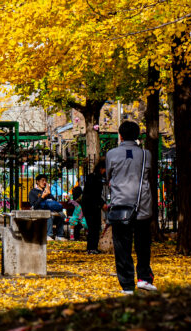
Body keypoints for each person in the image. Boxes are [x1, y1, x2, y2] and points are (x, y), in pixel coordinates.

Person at [105, 121, 156, 295]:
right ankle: (144, 278)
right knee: (143, 245)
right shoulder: (146, 154)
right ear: (137, 136)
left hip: (120, 206)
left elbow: (109, 175)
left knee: (122, 247)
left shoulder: (111, 154)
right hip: (142, 206)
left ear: (120, 135)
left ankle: (127, 285)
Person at [27, 175, 66, 239]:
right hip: (38, 213)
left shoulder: (48, 192)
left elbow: (54, 203)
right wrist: (42, 196)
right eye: (42, 180)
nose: (44, 182)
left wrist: (49, 193)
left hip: (50, 212)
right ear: (37, 182)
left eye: (45, 181)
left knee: (60, 214)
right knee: (48, 214)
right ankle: (49, 235)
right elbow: (35, 206)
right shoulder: (33, 192)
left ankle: (59, 236)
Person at [81, 158, 106, 254]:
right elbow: (94, 194)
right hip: (90, 205)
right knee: (93, 226)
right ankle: (91, 248)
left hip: (93, 205)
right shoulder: (94, 178)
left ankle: (93, 247)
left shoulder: (95, 177)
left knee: (95, 226)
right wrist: (102, 203)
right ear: (101, 168)